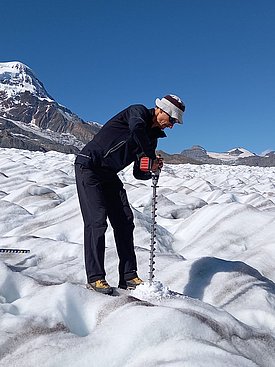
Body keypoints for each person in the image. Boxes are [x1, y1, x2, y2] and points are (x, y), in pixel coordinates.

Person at [75, 94, 185, 295]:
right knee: (96, 221)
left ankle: (128, 276)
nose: (171, 126)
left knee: (125, 220)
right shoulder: (138, 112)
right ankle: (95, 278)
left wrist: (150, 167)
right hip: (89, 165)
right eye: (171, 120)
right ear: (161, 110)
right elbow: (136, 130)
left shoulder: (151, 140)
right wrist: (150, 156)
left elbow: (138, 172)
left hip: (108, 174)